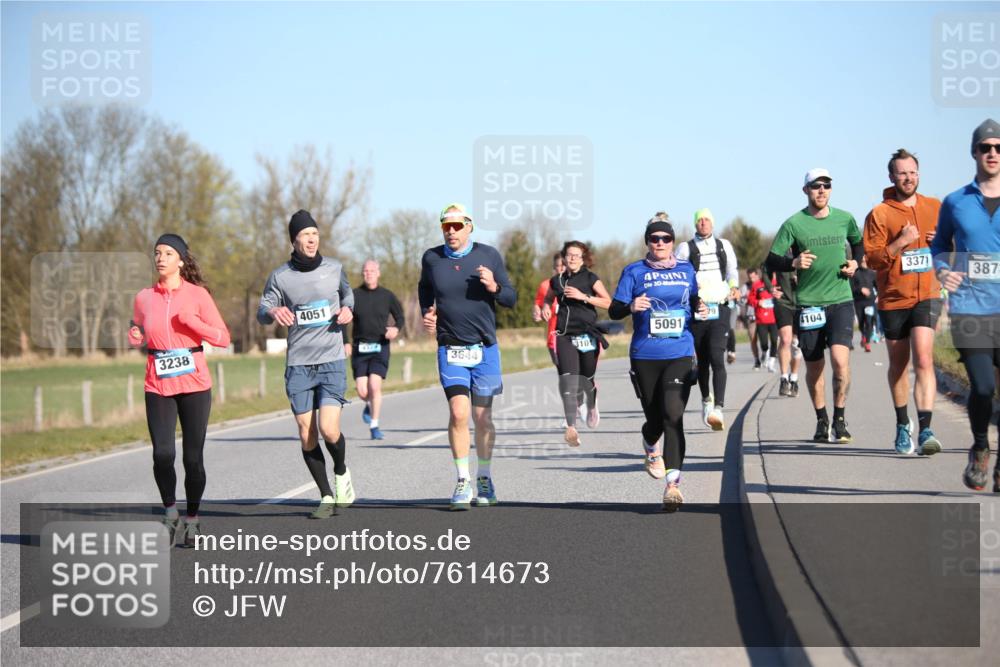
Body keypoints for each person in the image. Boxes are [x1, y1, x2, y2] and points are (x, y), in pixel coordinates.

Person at [129, 233, 231, 546]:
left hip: (195, 385)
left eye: (168, 253)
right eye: (157, 253)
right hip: (158, 384)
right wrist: (135, 335)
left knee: (192, 459)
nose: (161, 258)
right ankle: (171, 511)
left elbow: (223, 338)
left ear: (181, 261)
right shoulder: (144, 297)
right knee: (162, 454)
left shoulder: (198, 295)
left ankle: (193, 518)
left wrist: (192, 324)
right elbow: (137, 327)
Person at [257, 210, 355, 519]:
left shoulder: (334, 269)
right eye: (305, 235)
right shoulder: (280, 277)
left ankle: (341, 472)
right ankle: (325, 495)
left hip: (331, 360)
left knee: (328, 428)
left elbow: (348, 296)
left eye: (315, 234)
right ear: (294, 240)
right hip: (299, 364)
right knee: (306, 433)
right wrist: (273, 312)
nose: (312, 239)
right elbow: (262, 310)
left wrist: (348, 311)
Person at [419, 203, 516, 509]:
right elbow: (424, 289)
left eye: (457, 226)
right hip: (451, 347)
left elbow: (511, 297)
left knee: (482, 417)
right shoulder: (432, 258)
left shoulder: (488, 255)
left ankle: (484, 477)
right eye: (446, 226)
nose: (451, 231)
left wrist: (494, 286)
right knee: (459, 413)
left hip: (484, 349)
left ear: (469, 227)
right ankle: (463, 480)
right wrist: (427, 312)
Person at [609, 213, 706, 511]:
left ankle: (672, 486)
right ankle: (651, 445)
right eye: (655, 239)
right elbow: (614, 310)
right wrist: (631, 306)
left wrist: (700, 307)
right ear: (648, 242)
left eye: (665, 238)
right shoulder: (634, 271)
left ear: (673, 242)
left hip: (680, 351)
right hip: (645, 354)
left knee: (673, 415)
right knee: (655, 420)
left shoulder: (686, 269)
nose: (660, 243)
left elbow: (693, 300)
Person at [766, 169, 864, 442]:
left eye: (826, 185)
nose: (821, 190)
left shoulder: (844, 218)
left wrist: (855, 262)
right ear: (805, 190)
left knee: (840, 361)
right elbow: (772, 260)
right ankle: (822, 419)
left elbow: (858, 244)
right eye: (816, 186)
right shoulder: (794, 224)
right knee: (815, 367)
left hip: (840, 300)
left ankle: (840, 420)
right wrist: (793, 262)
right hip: (809, 305)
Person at [931, 119, 1000, 492]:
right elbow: (939, 244)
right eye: (985, 147)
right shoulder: (956, 201)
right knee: (984, 387)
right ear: (974, 152)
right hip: (970, 307)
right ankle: (980, 446)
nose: (993, 153)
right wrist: (943, 270)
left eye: (998, 147)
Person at [864, 148, 944, 456]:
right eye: (902, 173)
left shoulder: (935, 207)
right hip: (894, 298)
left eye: (912, 172)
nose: (908, 178)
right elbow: (872, 260)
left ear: (918, 174)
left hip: (927, 294)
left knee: (923, 358)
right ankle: (901, 423)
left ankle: (926, 429)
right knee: (899, 364)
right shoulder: (880, 214)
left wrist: (943, 242)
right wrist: (900, 242)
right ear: (891, 177)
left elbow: (955, 246)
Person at [674, 208, 740, 431]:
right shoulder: (685, 248)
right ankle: (706, 400)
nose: (703, 223)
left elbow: (732, 271)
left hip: (720, 307)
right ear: (695, 224)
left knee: (716, 357)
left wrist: (734, 287)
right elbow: (678, 274)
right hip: (698, 309)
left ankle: (718, 409)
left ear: (712, 223)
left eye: (707, 220)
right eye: (699, 220)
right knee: (702, 361)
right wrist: (691, 289)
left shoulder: (724, 245)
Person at [541, 241, 612, 446]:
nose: (572, 258)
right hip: (564, 336)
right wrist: (546, 307)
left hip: (588, 335)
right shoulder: (557, 281)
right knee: (569, 380)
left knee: (587, 377)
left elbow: (608, 302)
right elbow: (548, 298)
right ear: (564, 257)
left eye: (576, 255)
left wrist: (584, 297)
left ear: (583, 259)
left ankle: (592, 403)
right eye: (569, 255)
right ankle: (571, 428)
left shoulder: (591, 278)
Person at [348, 259, 405, 440]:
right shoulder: (354, 295)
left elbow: (400, 317)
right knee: (363, 391)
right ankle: (369, 404)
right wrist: (345, 342)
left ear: (378, 273)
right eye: (366, 271)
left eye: (372, 270)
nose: (369, 274)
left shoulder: (387, 296)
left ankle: (374, 425)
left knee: (374, 385)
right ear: (362, 274)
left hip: (380, 346)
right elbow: (342, 320)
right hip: (359, 348)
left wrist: (396, 329)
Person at [769, 252, 802, 397]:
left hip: (801, 303)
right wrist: (771, 287)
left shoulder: (805, 252)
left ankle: (793, 378)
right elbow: (766, 270)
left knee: (796, 343)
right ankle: (783, 379)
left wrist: (802, 280)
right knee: (785, 340)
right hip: (783, 303)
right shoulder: (778, 255)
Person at [533, 252, 565, 367]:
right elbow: (537, 304)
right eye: (558, 265)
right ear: (554, 268)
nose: (561, 268)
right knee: (564, 373)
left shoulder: (577, 284)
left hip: (573, 336)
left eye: (563, 265)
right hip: (553, 338)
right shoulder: (545, 285)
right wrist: (537, 312)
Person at [747, 270, 779, 371]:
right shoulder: (757, 285)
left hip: (775, 318)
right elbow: (750, 300)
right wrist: (758, 302)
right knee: (764, 343)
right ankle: (765, 352)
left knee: (774, 340)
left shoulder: (777, 283)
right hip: (761, 319)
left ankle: (771, 363)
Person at [851, 256, 877, 353]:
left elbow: (877, 286)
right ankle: (863, 335)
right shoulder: (855, 273)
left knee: (869, 321)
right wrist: (860, 289)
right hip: (859, 301)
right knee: (861, 322)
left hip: (870, 301)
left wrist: (878, 296)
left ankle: (867, 342)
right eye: (862, 260)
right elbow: (851, 288)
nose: (863, 261)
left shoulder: (872, 273)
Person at [741, 268, 761, 370]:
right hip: (751, 316)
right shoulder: (745, 287)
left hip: (763, 315)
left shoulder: (763, 285)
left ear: (757, 275)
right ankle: (757, 359)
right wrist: (746, 297)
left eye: (753, 277)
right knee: (753, 338)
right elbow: (741, 301)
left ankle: (767, 353)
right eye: (750, 277)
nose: (752, 279)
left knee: (766, 338)